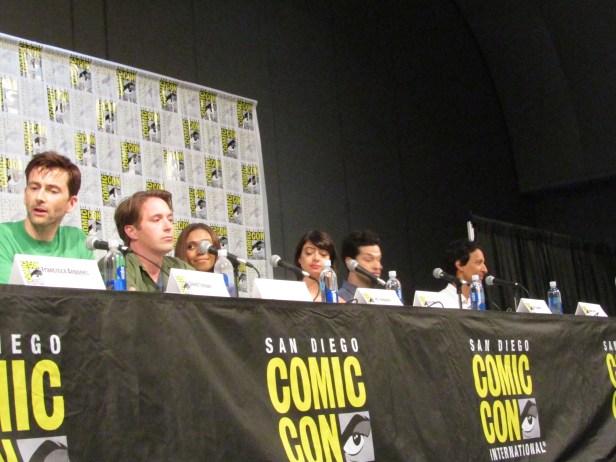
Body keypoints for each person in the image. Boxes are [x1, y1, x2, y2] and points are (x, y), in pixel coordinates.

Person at [0, 151, 93, 284]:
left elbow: (90, 295)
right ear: (25, 195)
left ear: (71, 203)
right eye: (34, 188)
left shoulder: (77, 241)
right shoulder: (3, 237)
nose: (39, 197)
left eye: (53, 191)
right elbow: (8, 295)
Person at [114, 190, 193, 292]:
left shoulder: (180, 267)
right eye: (156, 220)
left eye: (170, 219)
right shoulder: (116, 264)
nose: (168, 227)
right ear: (132, 232)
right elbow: (127, 301)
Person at [438, 239, 488, 309]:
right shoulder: (439, 302)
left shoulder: (478, 304)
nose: (485, 270)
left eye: (483, 263)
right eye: (478, 262)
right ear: (460, 265)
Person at [293, 230, 339, 302]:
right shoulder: (287, 297)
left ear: (330, 261)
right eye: (309, 252)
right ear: (299, 258)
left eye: (323, 254)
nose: (316, 258)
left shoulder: (341, 303)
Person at [338, 230, 383, 302]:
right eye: (368, 259)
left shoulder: (383, 299)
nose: (378, 266)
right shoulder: (337, 300)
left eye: (378, 259)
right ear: (350, 263)